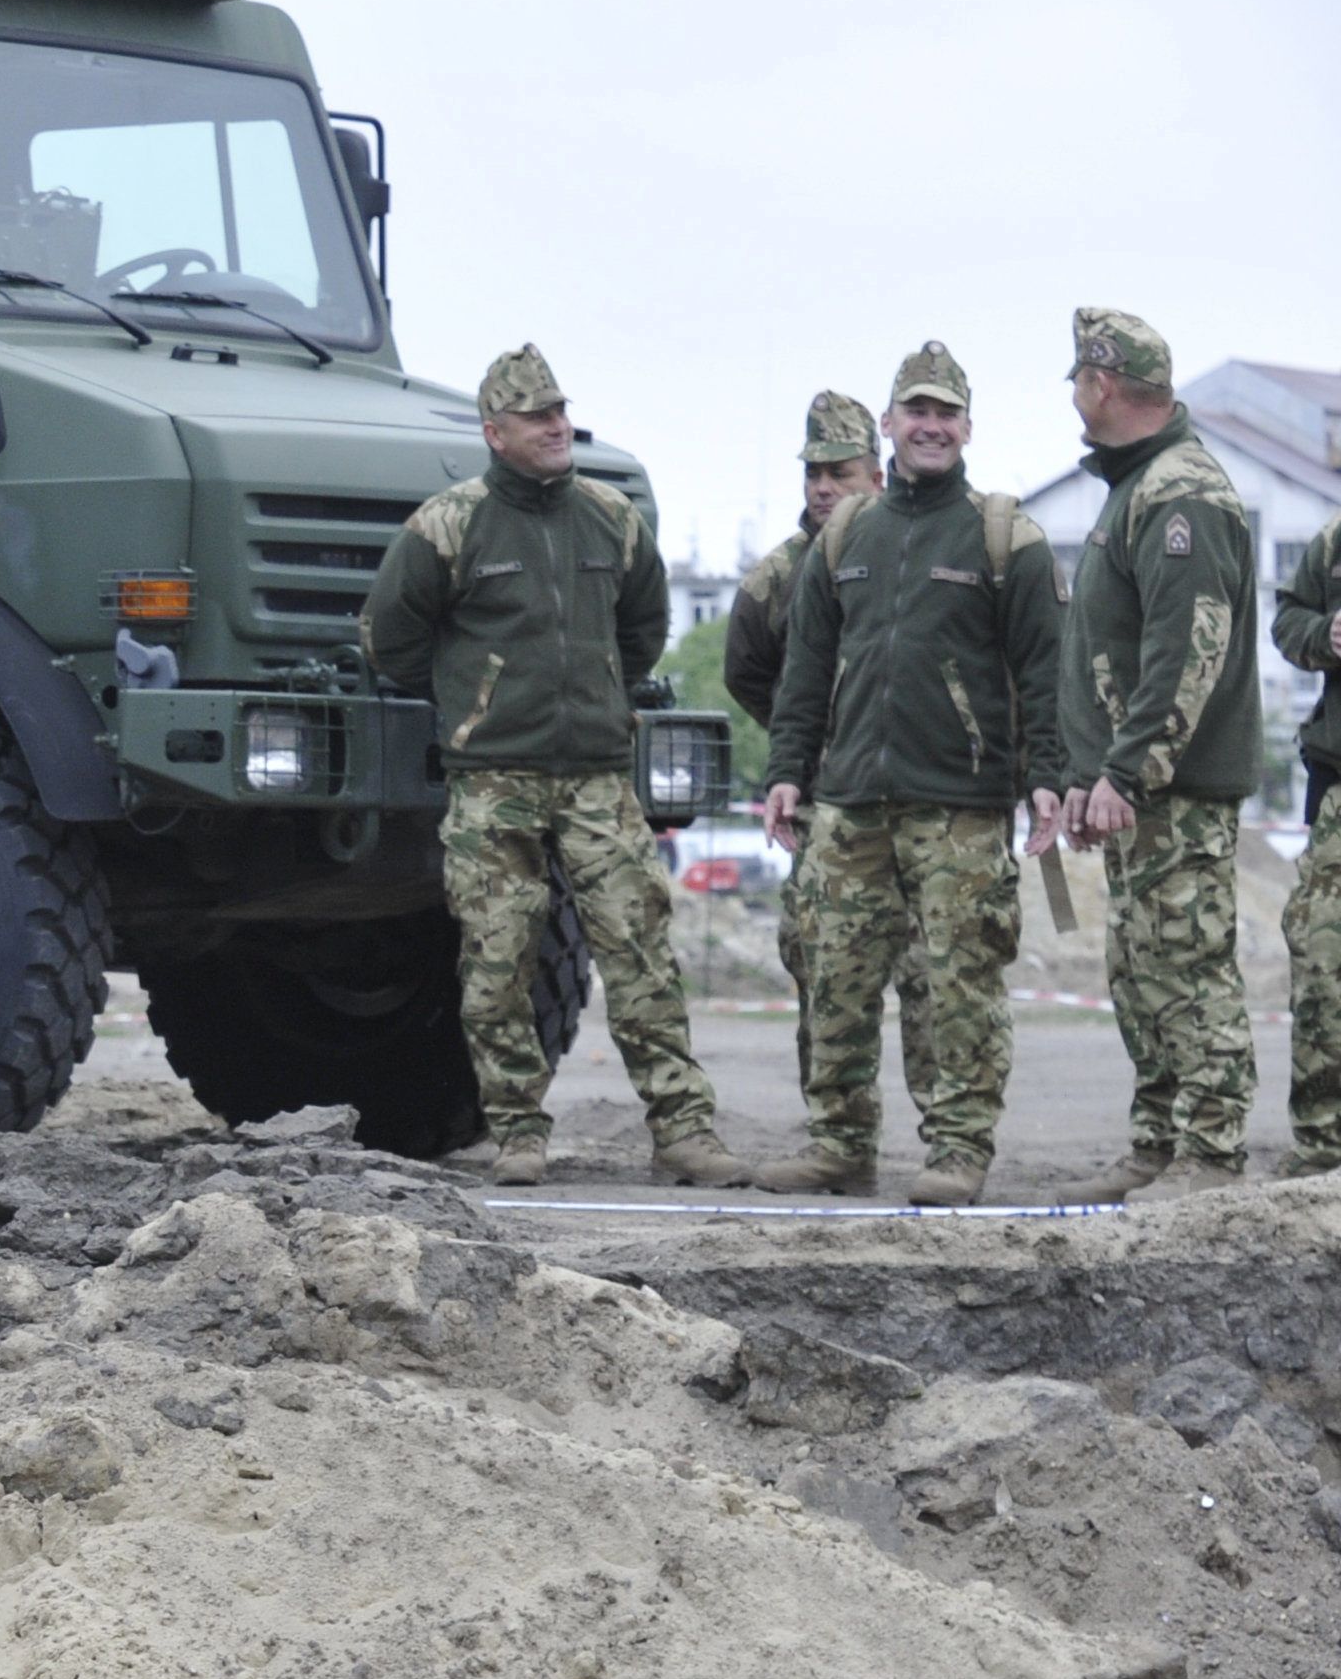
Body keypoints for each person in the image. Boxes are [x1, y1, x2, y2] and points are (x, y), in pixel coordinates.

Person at [360, 344, 748, 1191]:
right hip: (493, 782)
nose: (556, 427)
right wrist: (477, 701)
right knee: (499, 960)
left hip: (599, 780)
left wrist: (601, 691)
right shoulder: (449, 525)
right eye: (537, 417)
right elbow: (390, 640)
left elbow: (643, 628)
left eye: (560, 412)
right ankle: (517, 1131)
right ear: (495, 433)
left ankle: (684, 1133)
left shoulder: (610, 517)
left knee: (640, 949)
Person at [749, 343, 1065, 1205]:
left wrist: (1048, 776)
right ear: (888, 425)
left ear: (968, 428)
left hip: (959, 807)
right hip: (848, 805)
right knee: (837, 979)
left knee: (960, 986)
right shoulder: (849, 533)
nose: (932, 427)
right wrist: (786, 771)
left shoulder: (1008, 537)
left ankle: (958, 1149)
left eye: (947, 414)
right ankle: (839, 1145)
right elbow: (806, 668)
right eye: (916, 412)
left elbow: (1045, 671)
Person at [1055, 308, 1263, 1203]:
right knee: (1139, 972)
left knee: (1186, 967)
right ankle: (1158, 1142)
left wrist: (1126, 770)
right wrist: (1086, 774)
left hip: (1170, 790)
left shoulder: (1180, 493)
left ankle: (1210, 1155)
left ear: (1101, 385)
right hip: (1131, 791)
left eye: (1076, 380)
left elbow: (1188, 653)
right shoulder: (1133, 485)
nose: (1074, 394)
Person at [729, 389, 922, 1085]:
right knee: (822, 962)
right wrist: (804, 743)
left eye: (838, 472)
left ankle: (951, 1136)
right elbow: (745, 670)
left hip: (923, 789)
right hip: (824, 798)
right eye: (812, 473)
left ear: (877, 473)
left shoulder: (916, 549)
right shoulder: (778, 576)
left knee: (933, 970)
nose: (821, 487)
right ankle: (836, 1127)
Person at [1280, 513, 1341, 1175]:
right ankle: (1325, 1149)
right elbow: (1287, 620)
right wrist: (1324, 634)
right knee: (1323, 960)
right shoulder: (1334, 540)